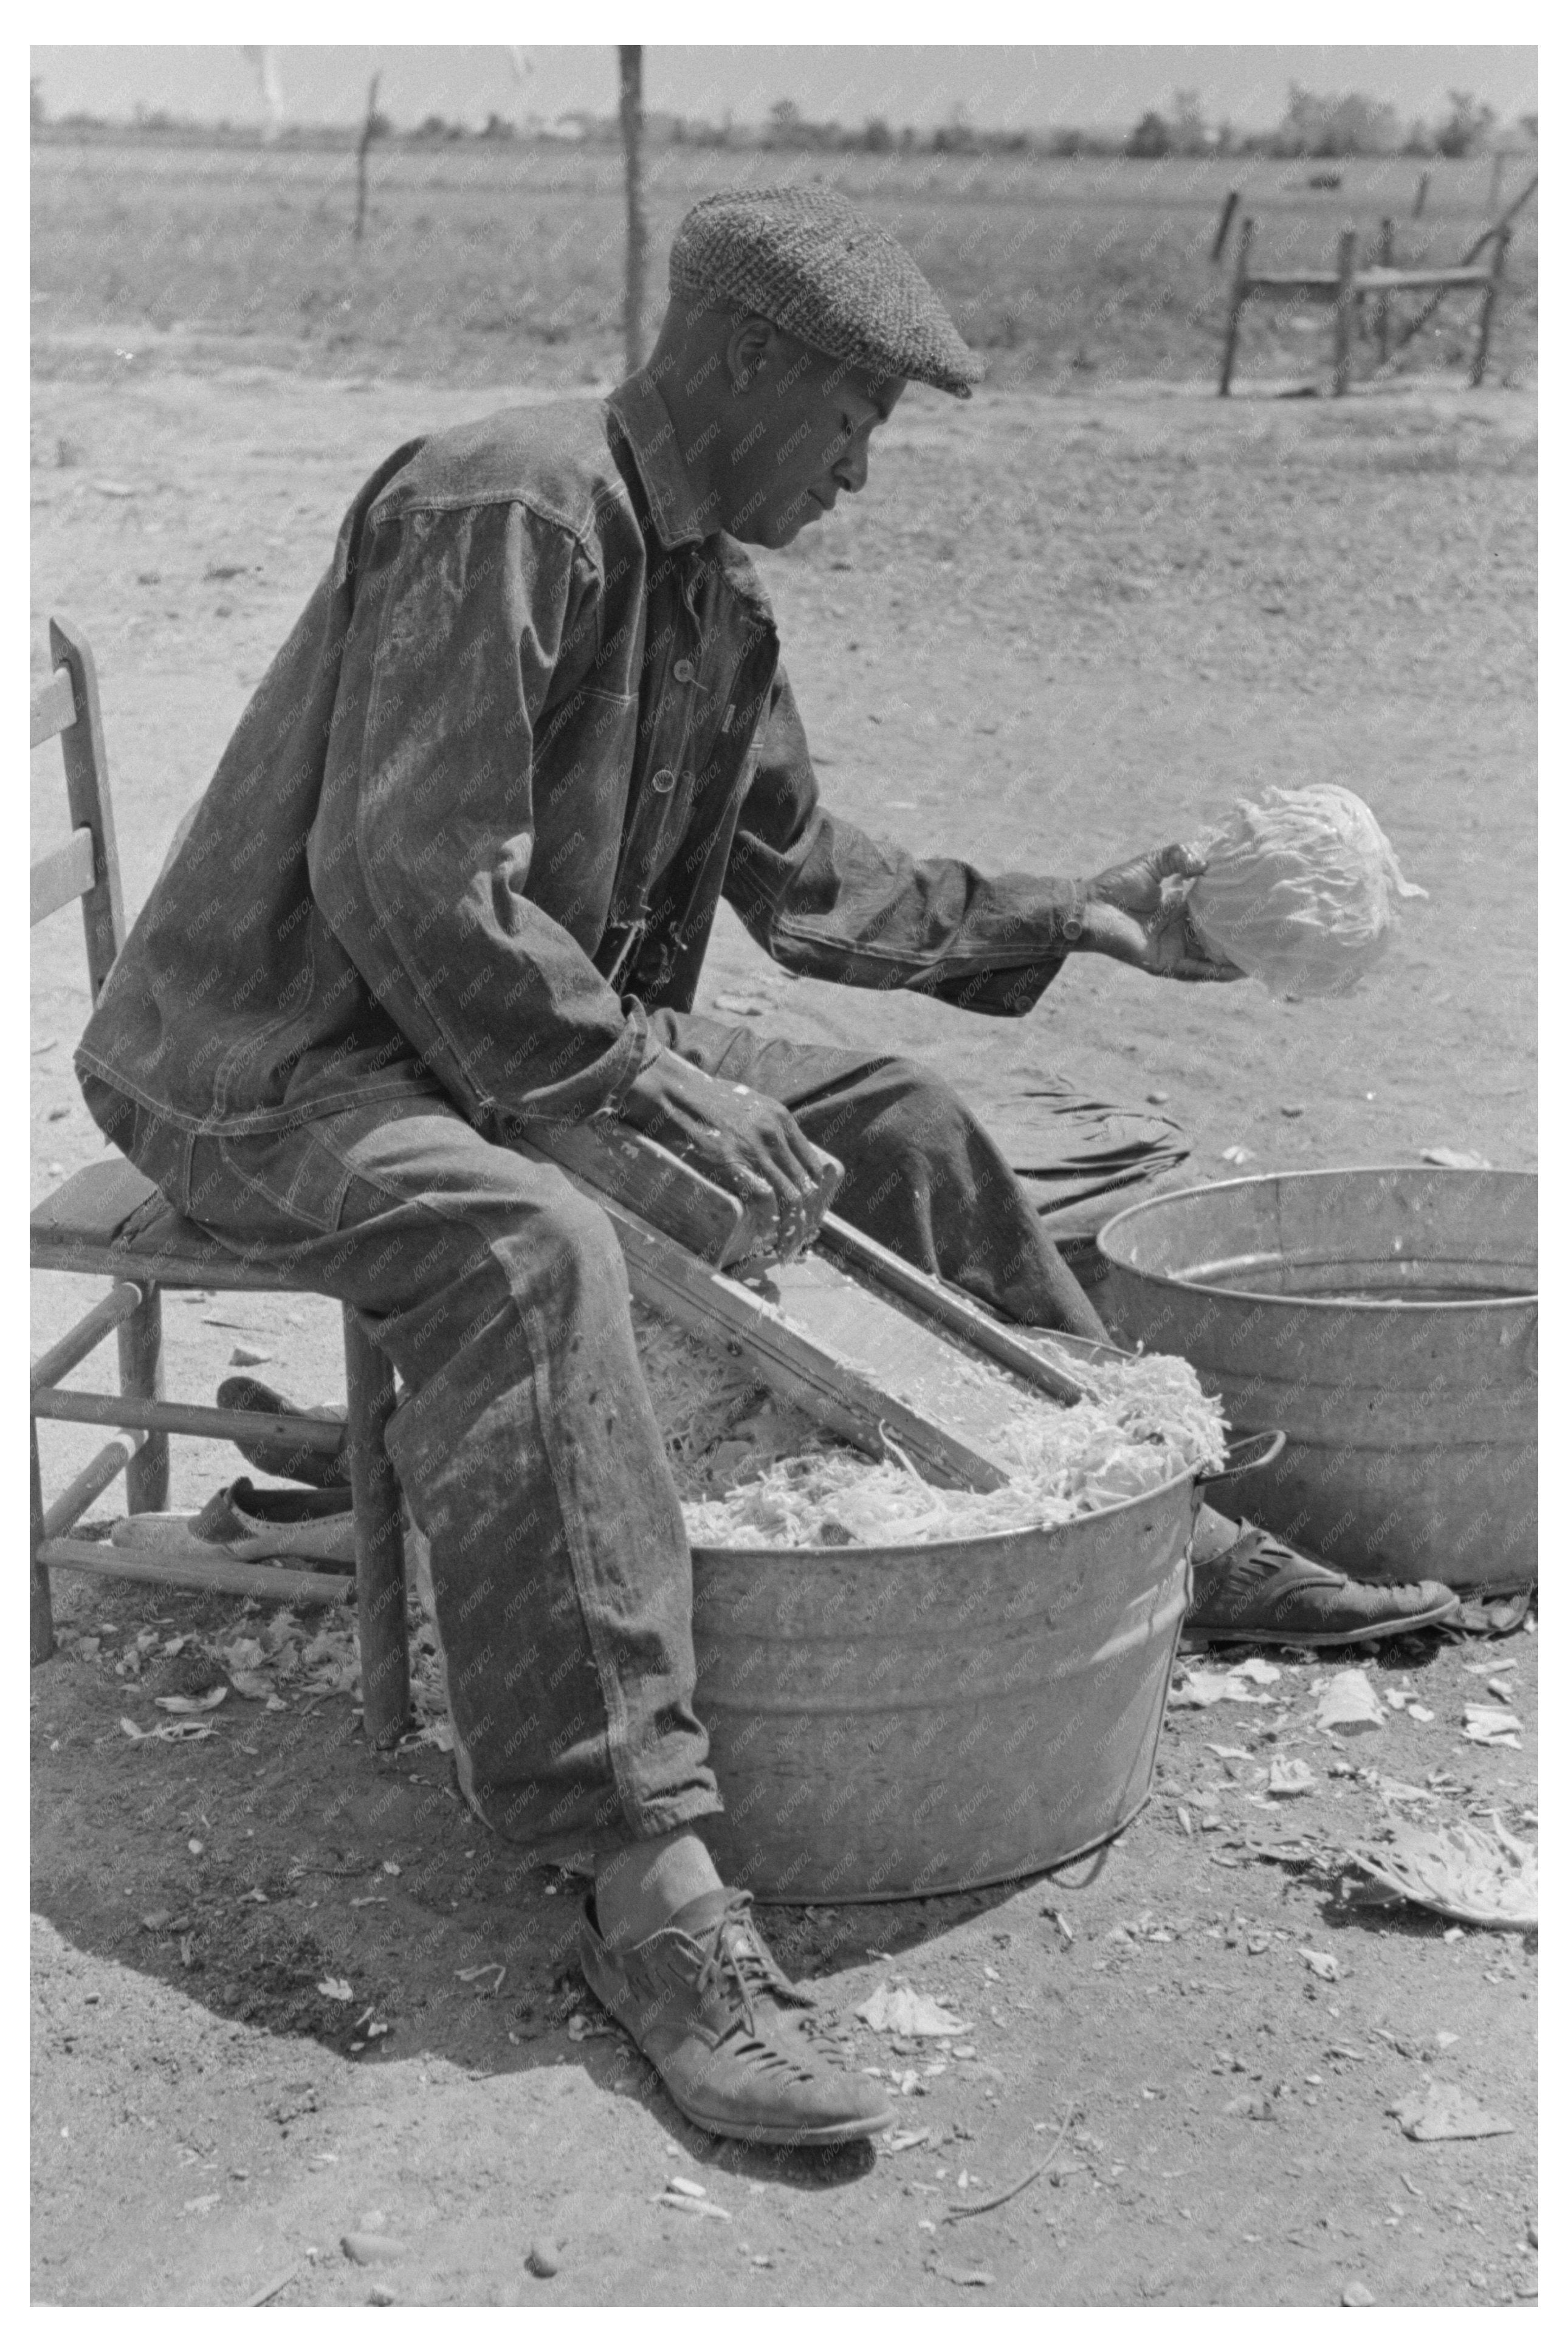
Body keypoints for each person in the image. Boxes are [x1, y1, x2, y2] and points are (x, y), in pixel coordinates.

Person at [76, 186, 1457, 2150]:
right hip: (274, 1052)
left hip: (483, 1035)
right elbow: (399, 881)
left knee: (883, 1112)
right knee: (524, 1247)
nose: (863, 471)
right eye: (855, 421)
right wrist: (623, 1077)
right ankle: (647, 1886)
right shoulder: (511, 505)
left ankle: (1132, 1506)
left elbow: (813, 890)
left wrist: (1079, 910)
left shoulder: (712, 595)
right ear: (741, 366)